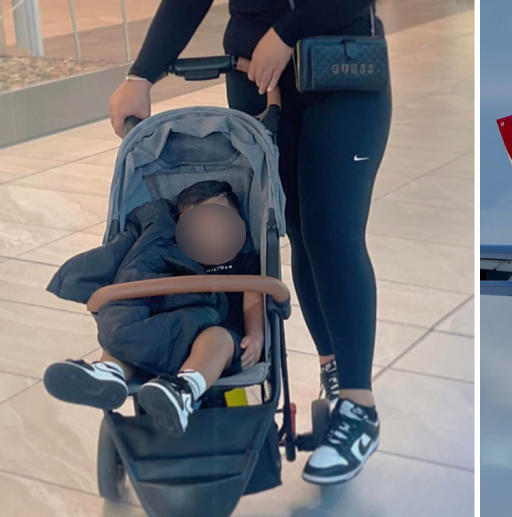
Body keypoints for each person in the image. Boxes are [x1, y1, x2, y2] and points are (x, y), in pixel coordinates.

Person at [108, 0, 390, 484]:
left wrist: (286, 32)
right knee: (297, 230)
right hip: (258, 75)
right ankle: (333, 368)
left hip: (343, 66)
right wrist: (142, 74)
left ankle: (359, 405)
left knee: (334, 233)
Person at [44, 181, 264, 437]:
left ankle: (183, 389)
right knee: (128, 333)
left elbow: (253, 295)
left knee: (217, 339)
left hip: (217, 330)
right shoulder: (172, 252)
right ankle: (110, 373)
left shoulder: (240, 256)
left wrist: (256, 334)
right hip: (164, 328)